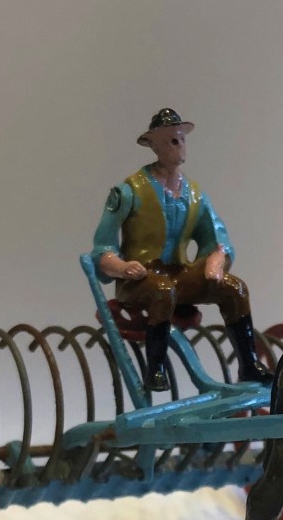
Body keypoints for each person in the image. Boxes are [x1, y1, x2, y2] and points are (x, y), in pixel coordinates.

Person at [91, 108, 273, 390]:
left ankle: (249, 365)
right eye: (171, 141)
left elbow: (217, 237)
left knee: (234, 288)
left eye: (182, 139)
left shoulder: (195, 194)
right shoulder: (129, 191)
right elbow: (103, 247)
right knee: (163, 290)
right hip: (140, 279)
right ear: (154, 146)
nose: (179, 146)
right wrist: (122, 267)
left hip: (179, 275)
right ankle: (156, 368)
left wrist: (218, 258)